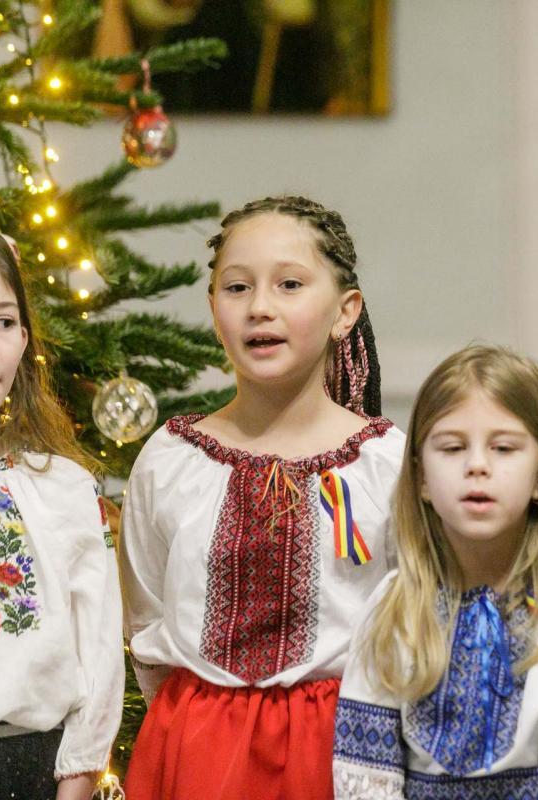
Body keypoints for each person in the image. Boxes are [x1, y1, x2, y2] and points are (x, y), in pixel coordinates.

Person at [119, 196, 404, 799]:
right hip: (194, 751)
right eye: (237, 287)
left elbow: (414, 619)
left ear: (345, 311)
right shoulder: (171, 461)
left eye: (290, 284)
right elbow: (145, 612)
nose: (260, 308)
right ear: (213, 309)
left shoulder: (386, 465)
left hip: (344, 754)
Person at [333, 345, 538, 798]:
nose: (477, 465)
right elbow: (365, 779)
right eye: (452, 448)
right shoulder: (392, 610)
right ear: (421, 479)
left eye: (504, 448)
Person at [0, 223, 123, 800]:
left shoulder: (63, 488)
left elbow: (99, 650)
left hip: (38, 771)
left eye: (3, 322)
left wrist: (79, 776)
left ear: (24, 339)